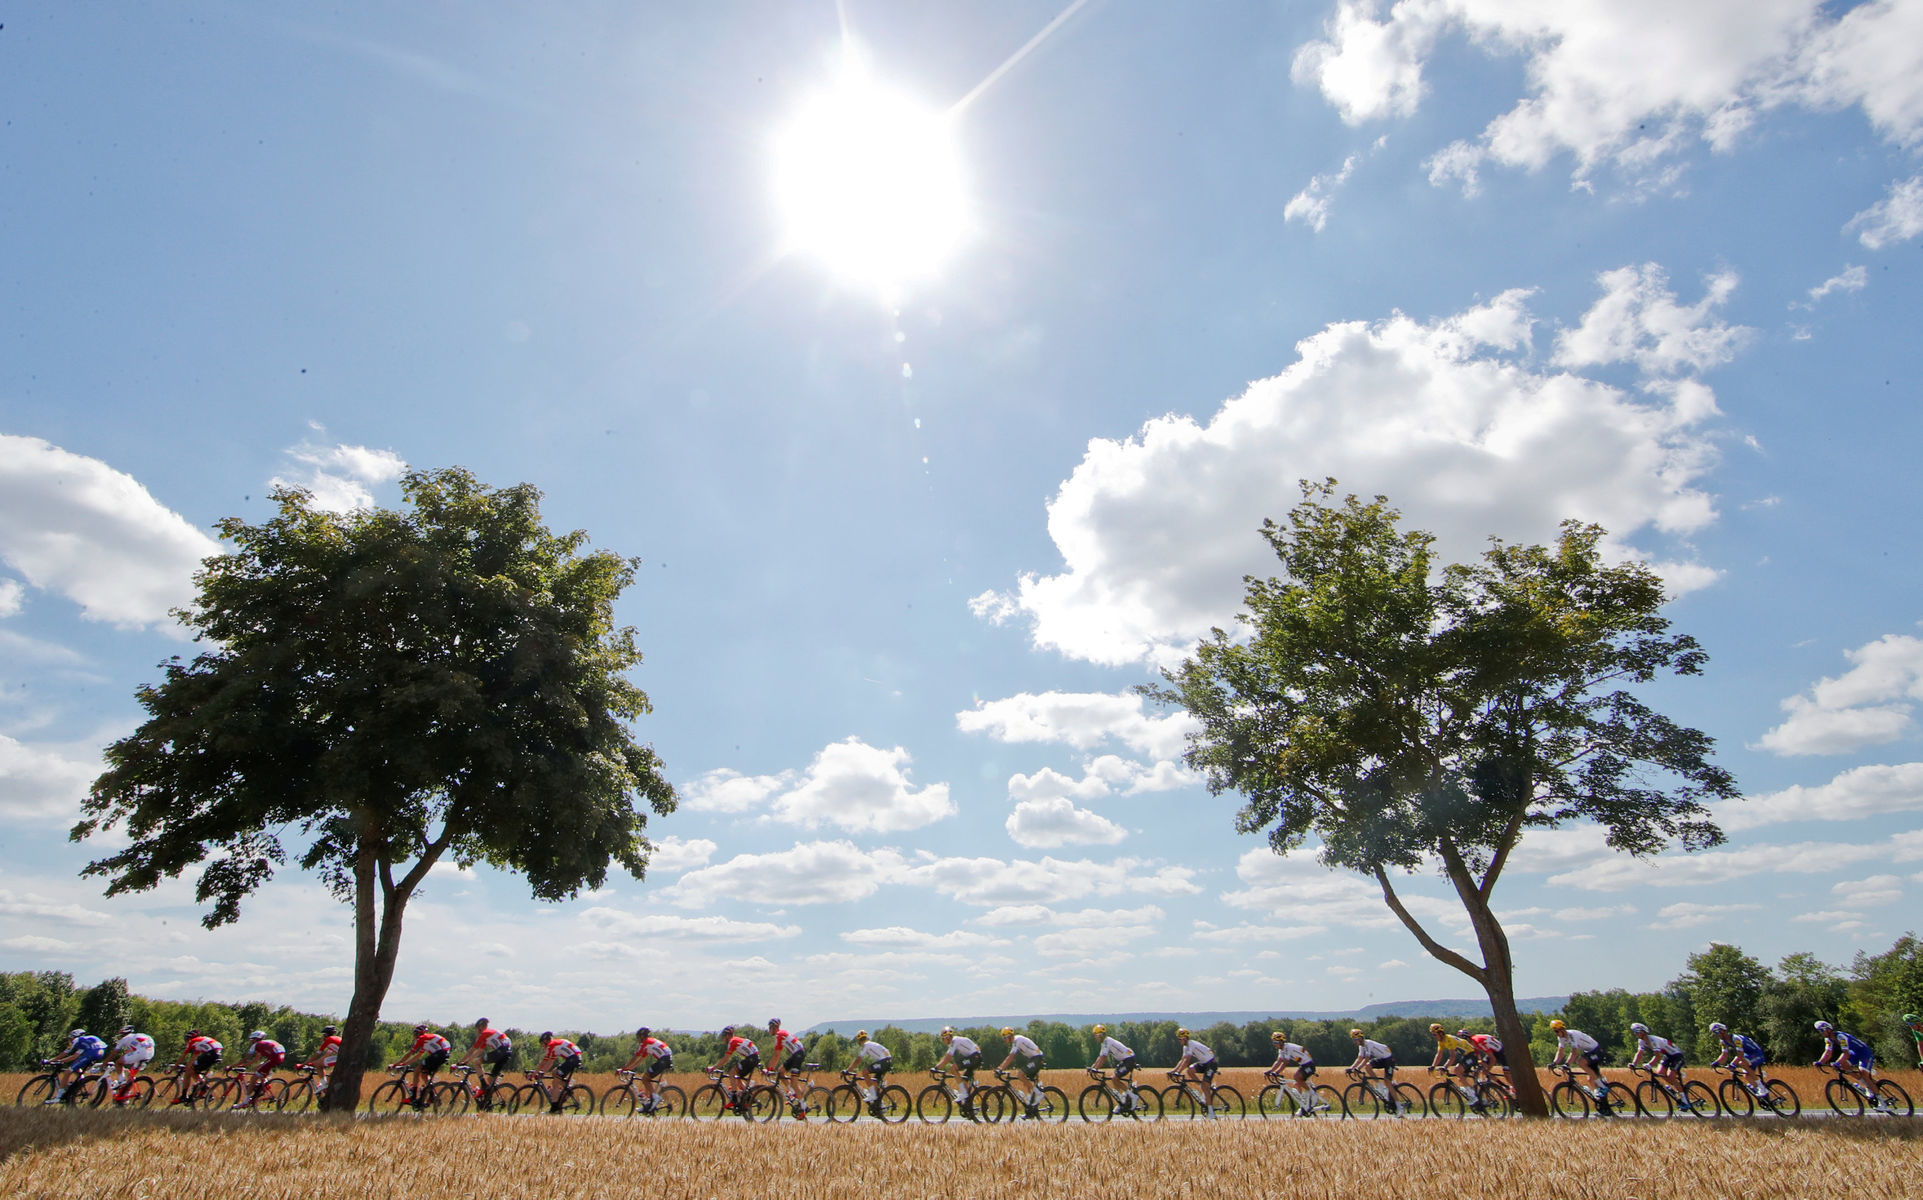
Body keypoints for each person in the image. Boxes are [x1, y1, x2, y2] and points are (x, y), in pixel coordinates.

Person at [1813, 1020, 1889, 1111]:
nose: (1821, 1033)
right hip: (1854, 1053)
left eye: (1822, 1030)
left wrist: (1837, 1063)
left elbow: (1846, 1054)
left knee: (1864, 1073)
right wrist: (1820, 1062)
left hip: (1864, 1052)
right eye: (1820, 1031)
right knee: (1844, 1066)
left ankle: (1882, 1103)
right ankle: (1867, 1085)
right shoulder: (1828, 1040)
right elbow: (1828, 1052)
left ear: (1829, 1030)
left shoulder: (1841, 1037)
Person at [1627, 1022, 1698, 1110]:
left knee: (1671, 1076)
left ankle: (1685, 1101)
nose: (1635, 1034)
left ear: (1643, 1032)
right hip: (1667, 1056)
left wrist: (1649, 1065)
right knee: (1660, 1072)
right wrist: (1633, 1064)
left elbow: (1658, 1056)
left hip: (1676, 1055)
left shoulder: (1653, 1040)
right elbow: (1639, 1053)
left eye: (1636, 1031)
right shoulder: (1641, 1041)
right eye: (1634, 1032)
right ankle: (1676, 1089)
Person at [1547, 1019, 1613, 1113]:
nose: (1556, 1033)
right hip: (1589, 1052)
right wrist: (1554, 1063)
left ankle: (1603, 1087)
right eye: (1554, 1031)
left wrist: (1567, 1064)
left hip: (1596, 1050)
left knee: (1580, 1062)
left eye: (1557, 1031)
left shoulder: (1572, 1035)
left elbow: (1575, 1053)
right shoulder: (1561, 1038)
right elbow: (1560, 1052)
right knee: (1590, 1079)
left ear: (1562, 1029)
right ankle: (1602, 1105)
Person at [391, 1022, 452, 1110]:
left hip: (440, 1054)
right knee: (423, 1075)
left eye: (414, 1034)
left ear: (418, 1034)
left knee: (417, 1070)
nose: (414, 1037)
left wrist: (397, 1064)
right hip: (442, 1054)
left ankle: (413, 1097)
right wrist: (405, 1063)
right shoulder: (426, 1042)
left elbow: (410, 1053)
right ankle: (432, 1096)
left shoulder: (422, 1038)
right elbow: (418, 1056)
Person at [458, 1018, 514, 1110]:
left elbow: (472, 1050)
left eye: (476, 1029)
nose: (476, 1032)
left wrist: (460, 1062)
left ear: (480, 1028)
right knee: (490, 1081)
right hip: (506, 1053)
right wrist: (467, 1061)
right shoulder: (488, 1035)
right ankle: (488, 1105)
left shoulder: (484, 1034)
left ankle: (484, 1085)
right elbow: (479, 1051)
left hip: (501, 1051)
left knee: (477, 1063)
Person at [1088, 1024, 1143, 1115]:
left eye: (1095, 1036)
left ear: (1100, 1035)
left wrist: (1096, 1069)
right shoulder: (1104, 1042)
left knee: (1114, 1078)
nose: (1095, 1038)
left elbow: (1104, 1058)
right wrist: (1093, 1067)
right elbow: (1100, 1057)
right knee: (1114, 1079)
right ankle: (1121, 1103)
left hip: (1128, 1059)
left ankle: (1133, 1096)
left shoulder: (1107, 1041)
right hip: (1125, 1059)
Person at [1348, 1028, 1405, 1114]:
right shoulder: (1361, 1047)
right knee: (1368, 1067)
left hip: (1388, 1059)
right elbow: (1359, 1058)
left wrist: (1358, 1068)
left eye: (1356, 1039)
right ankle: (1380, 1087)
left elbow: (1367, 1058)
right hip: (1381, 1059)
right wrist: (1351, 1068)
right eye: (1353, 1040)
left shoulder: (1368, 1044)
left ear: (1360, 1038)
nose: (1355, 1041)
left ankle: (1399, 1107)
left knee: (1387, 1081)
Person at [1268, 1029, 1324, 1115]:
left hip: (1309, 1064)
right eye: (1274, 1043)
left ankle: (1312, 1094)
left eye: (1276, 1043)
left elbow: (1285, 1062)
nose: (1275, 1045)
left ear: (1281, 1041)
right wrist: (1270, 1071)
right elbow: (1278, 1061)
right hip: (1303, 1065)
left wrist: (1277, 1072)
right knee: (1297, 1085)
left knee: (1296, 1077)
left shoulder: (1287, 1048)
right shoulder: (1281, 1050)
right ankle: (1304, 1107)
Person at [619, 1026, 675, 1114]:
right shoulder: (648, 1045)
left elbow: (636, 1056)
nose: (637, 1039)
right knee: (646, 1079)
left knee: (645, 1079)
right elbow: (640, 1060)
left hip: (664, 1059)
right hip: (664, 1059)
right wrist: (629, 1068)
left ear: (642, 1036)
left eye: (638, 1037)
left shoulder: (646, 1042)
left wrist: (624, 1068)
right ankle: (648, 1104)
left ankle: (655, 1098)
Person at [1707, 1022, 1769, 1097]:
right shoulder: (1723, 1042)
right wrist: (1716, 1063)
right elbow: (1724, 1055)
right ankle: (1763, 1094)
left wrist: (1733, 1064)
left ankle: (1762, 1088)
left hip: (1757, 1054)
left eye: (1716, 1032)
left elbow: (1740, 1055)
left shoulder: (1736, 1039)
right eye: (1714, 1033)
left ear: (1723, 1030)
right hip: (1748, 1055)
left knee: (1742, 1064)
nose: (1716, 1034)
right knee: (1746, 1075)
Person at [46, 1029, 107, 1105]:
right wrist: (61, 1061)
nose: (70, 1040)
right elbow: (74, 1057)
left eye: (71, 1038)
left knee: (67, 1072)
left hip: (93, 1052)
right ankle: (81, 1083)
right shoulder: (84, 1043)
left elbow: (66, 1052)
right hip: (100, 1052)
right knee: (77, 1067)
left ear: (75, 1036)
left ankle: (58, 1097)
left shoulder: (77, 1040)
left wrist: (51, 1060)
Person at [934, 1027, 984, 1120]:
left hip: (975, 1057)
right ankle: (969, 1105)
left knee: (953, 1068)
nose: (943, 1041)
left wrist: (936, 1068)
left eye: (943, 1038)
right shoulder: (954, 1042)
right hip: (974, 1057)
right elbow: (948, 1057)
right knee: (964, 1079)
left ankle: (964, 1095)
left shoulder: (955, 1041)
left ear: (947, 1037)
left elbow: (947, 1058)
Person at [229, 1030, 287, 1110]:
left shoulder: (256, 1045)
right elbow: (256, 1059)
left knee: (254, 1078)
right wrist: (245, 1065)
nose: (250, 1042)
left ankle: (245, 1102)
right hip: (279, 1055)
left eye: (251, 1040)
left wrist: (231, 1066)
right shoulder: (264, 1044)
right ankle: (264, 1085)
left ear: (255, 1039)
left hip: (274, 1057)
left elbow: (246, 1058)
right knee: (259, 1068)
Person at [996, 1027, 1046, 1118]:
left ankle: (1039, 1093)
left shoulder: (1018, 1041)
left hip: (1037, 1059)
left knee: (1020, 1075)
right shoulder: (1015, 1042)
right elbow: (1010, 1056)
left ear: (1009, 1036)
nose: (1004, 1040)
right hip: (1034, 1059)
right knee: (1025, 1080)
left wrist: (1000, 1068)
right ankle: (1030, 1109)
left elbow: (1011, 1057)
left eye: (1004, 1038)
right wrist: (1001, 1068)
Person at [712, 1025, 761, 1116]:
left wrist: (713, 1068)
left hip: (751, 1058)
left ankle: (734, 1098)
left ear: (727, 1036)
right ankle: (747, 1097)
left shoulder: (732, 1041)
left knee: (732, 1072)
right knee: (736, 1076)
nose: (723, 1039)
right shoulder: (736, 1040)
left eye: (723, 1037)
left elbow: (726, 1059)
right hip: (753, 1057)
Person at [1172, 1028, 1221, 1116]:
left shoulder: (1191, 1044)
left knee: (1205, 1087)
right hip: (1203, 1063)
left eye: (1180, 1039)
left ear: (1185, 1038)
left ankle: (1211, 1113)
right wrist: (1173, 1071)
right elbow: (1182, 1060)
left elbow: (1187, 1061)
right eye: (1178, 1039)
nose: (1179, 1041)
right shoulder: (1185, 1047)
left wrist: (1178, 1072)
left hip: (1210, 1063)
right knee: (1190, 1071)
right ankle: (1202, 1088)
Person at [767, 1018, 809, 1117]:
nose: (769, 1030)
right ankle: (794, 1093)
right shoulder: (780, 1034)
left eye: (770, 1028)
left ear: (774, 1027)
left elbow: (776, 1055)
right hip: (795, 1054)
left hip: (798, 1054)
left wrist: (769, 1069)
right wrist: (771, 1068)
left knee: (794, 1082)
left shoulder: (779, 1035)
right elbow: (777, 1054)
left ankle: (804, 1107)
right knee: (781, 1072)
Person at [535, 1031, 583, 1114]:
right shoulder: (555, 1046)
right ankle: (567, 1088)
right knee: (554, 1072)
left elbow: (544, 1062)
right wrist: (543, 1072)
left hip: (573, 1058)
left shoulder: (551, 1045)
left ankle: (554, 1108)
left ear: (546, 1041)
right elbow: (550, 1062)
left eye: (542, 1043)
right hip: (573, 1057)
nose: (542, 1046)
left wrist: (535, 1073)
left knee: (555, 1081)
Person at [107, 1025, 155, 1106]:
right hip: (150, 1052)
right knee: (131, 1076)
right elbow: (129, 1052)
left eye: (121, 1035)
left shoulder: (125, 1038)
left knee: (118, 1063)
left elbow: (114, 1053)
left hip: (141, 1053)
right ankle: (125, 1096)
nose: (121, 1037)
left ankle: (121, 1082)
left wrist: (105, 1063)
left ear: (124, 1034)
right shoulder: (136, 1037)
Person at [174, 1028, 224, 1105]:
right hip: (216, 1054)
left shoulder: (193, 1042)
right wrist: (188, 1065)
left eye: (187, 1040)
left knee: (188, 1073)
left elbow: (183, 1056)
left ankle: (183, 1096)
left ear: (190, 1038)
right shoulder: (200, 1042)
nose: (186, 1042)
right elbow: (193, 1058)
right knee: (193, 1071)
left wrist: (174, 1066)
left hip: (210, 1054)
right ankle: (205, 1089)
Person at [852, 1030, 893, 1118]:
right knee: (875, 1083)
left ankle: (873, 1095)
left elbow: (858, 1059)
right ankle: (881, 1106)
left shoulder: (866, 1045)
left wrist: (848, 1069)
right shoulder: (870, 1044)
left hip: (884, 1061)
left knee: (864, 1072)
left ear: (859, 1040)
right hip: (887, 1060)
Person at [300, 1024, 341, 1099]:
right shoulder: (334, 1040)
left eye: (322, 1035)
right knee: (330, 1076)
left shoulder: (328, 1040)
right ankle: (326, 1089)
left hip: (342, 1058)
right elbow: (326, 1056)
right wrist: (313, 1063)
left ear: (325, 1035)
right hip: (344, 1057)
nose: (321, 1037)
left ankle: (324, 1084)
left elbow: (317, 1054)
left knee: (317, 1064)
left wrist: (303, 1065)